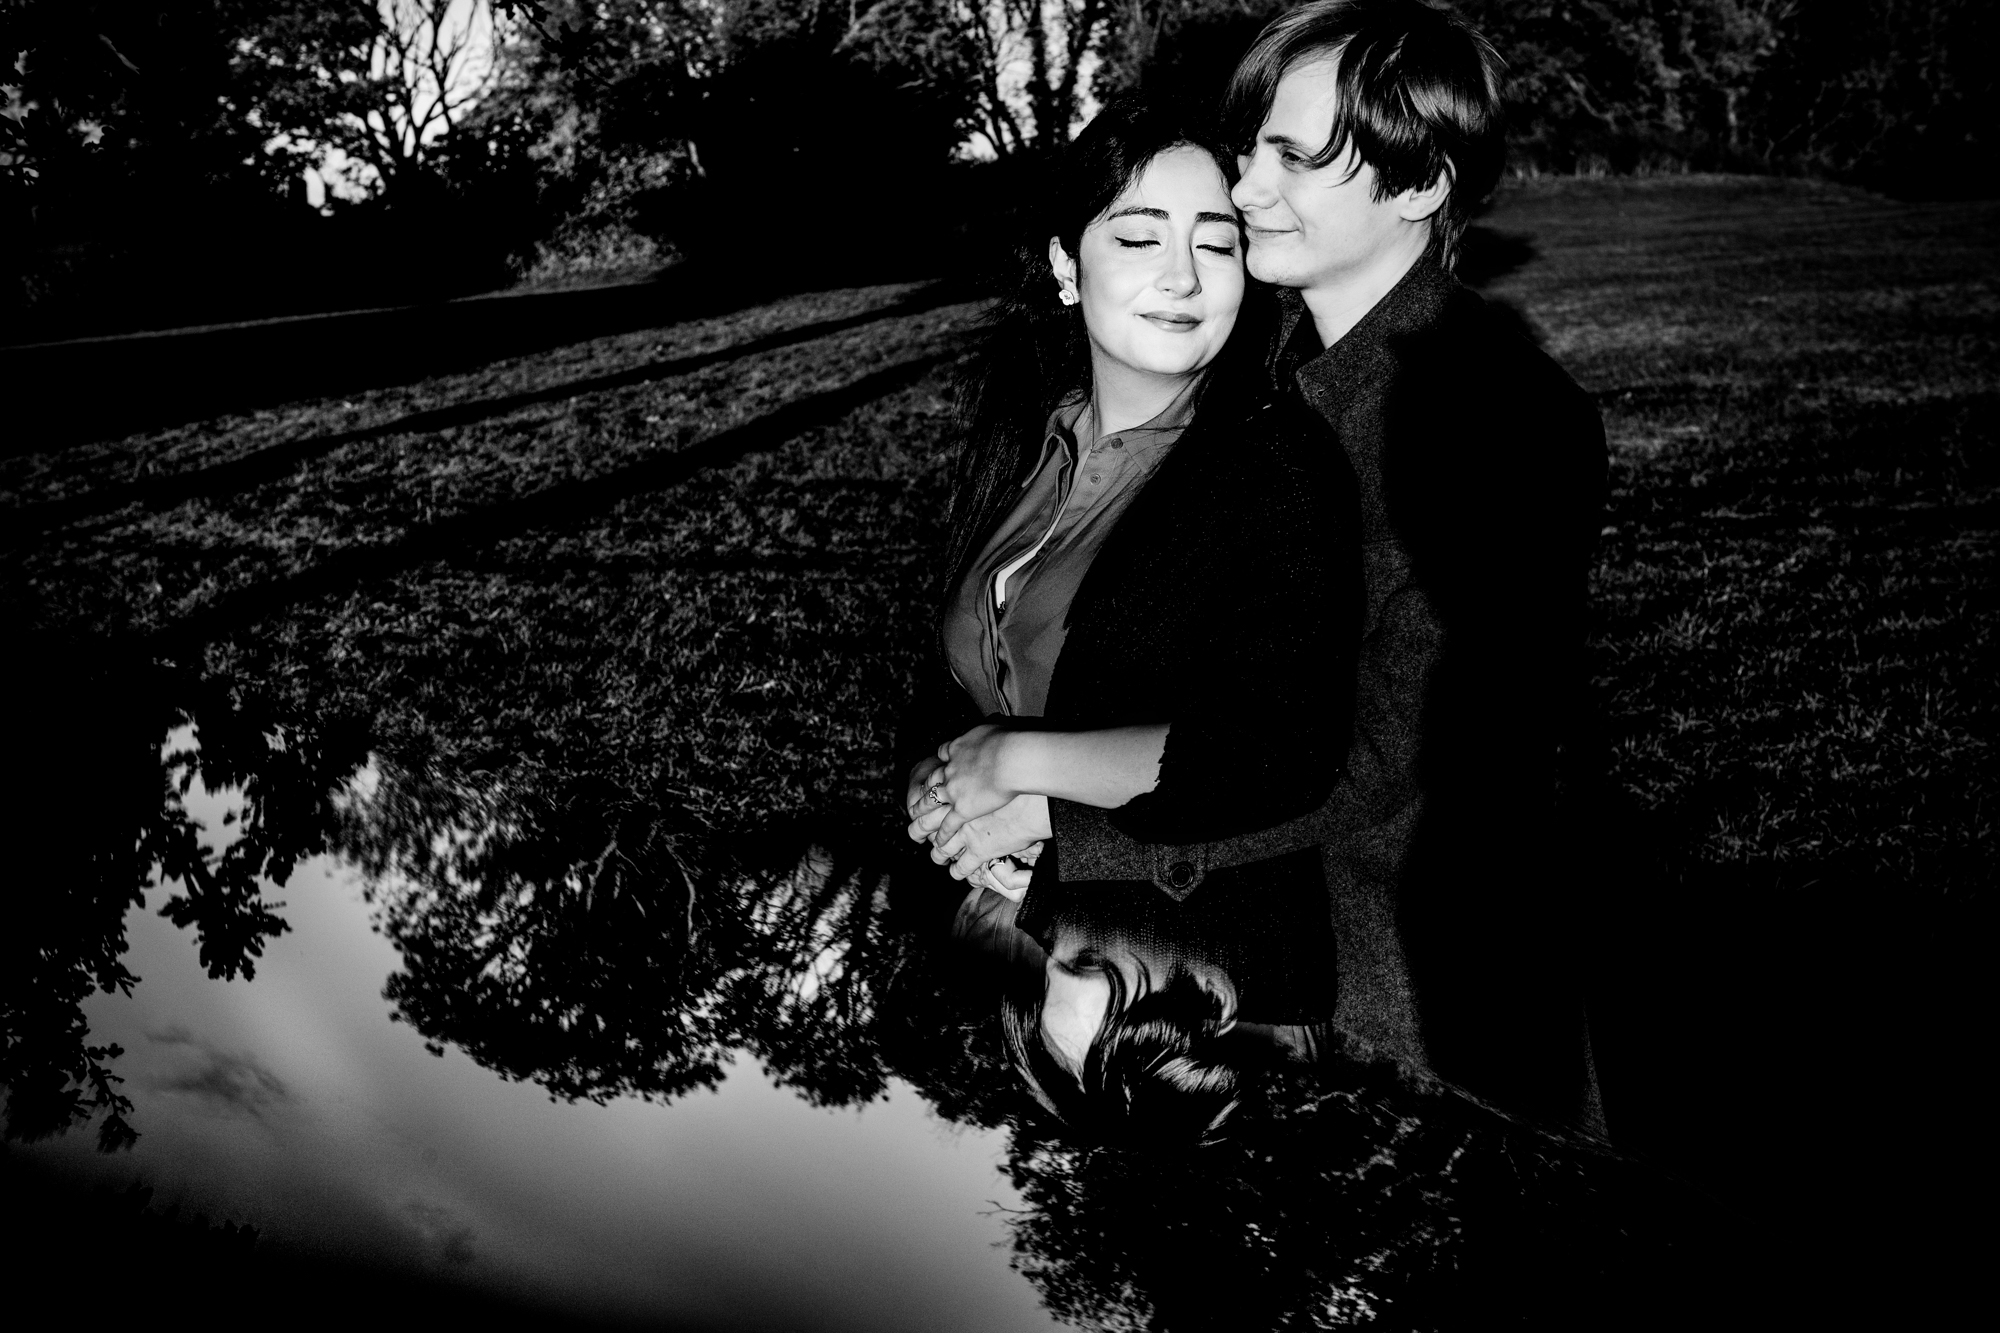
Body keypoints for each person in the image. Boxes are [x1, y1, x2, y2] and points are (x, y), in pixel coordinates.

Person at [1024, 0, 1612, 1133]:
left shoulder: (1498, 422)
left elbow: (1384, 758)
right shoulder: (1275, 374)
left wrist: (1065, 818)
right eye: (1253, 149)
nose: (1245, 191)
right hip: (1262, 981)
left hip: (1422, 1011)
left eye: (1294, 158)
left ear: (1418, 183)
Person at [897, 94, 1361, 1136]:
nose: (1185, 278)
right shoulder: (1023, 427)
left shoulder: (1276, 471)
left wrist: (1017, 776)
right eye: (1139, 235)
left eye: (1219, 243)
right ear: (1066, 265)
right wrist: (951, 779)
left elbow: (1275, 757)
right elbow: (968, 667)